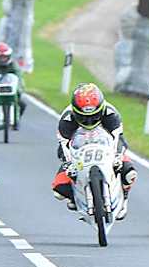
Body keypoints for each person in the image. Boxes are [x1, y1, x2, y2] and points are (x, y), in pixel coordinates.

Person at [51, 83, 137, 218]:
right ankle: (74, 197)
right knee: (58, 191)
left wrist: (118, 156)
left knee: (130, 173)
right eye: (83, 117)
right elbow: (63, 144)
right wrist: (68, 163)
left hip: (106, 149)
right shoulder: (67, 119)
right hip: (78, 152)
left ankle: (124, 196)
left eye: (94, 116)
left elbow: (118, 138)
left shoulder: (111, 113)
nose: (89, 121)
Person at [0, 42, 27, 129]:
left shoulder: (14, 66)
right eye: (0, 57)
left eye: (4, 57)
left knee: (22, 103)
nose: (3, 59)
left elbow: (19, 78)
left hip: (11, 90)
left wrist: (19, 89)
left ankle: (16, 119)